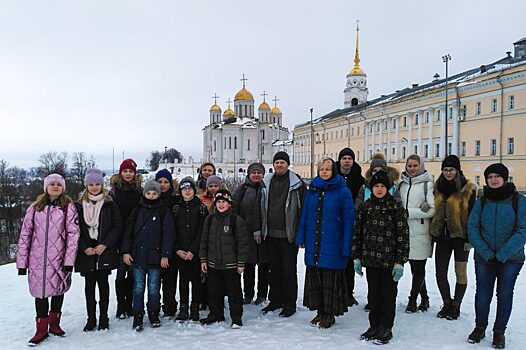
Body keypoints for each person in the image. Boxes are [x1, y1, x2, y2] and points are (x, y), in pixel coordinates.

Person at [467, 163, 526, 349]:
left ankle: (499, 332)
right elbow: (472, 227)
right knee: (483, 295)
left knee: (505, 295)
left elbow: (523, 230)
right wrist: (486, 252)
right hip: (484, 259)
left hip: (511, 259)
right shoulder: (482, 201)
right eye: (489, 177)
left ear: (505, 178)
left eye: (496, 176)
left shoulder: (519, 201)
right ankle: (480, 327)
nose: (493, 180)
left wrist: (502, 254)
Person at [17, 174, 80, 345]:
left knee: (58, 290)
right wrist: (22, 263)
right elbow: (25, 235)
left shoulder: (68, 207)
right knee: (40, 293)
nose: (55, 187)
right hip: (37, 260)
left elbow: (73, 235)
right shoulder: (35, 208)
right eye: (51, 184)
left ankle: (54, 324)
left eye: (58, 184)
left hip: (59, 258)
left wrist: (69, 261)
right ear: (46, 187)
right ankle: (41, 329)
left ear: (63, 188)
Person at [352, 170, 409, 345]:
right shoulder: (365, 207)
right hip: (371, 260)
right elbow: (357, 233)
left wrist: (400, 261)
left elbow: (403, 236)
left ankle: (386, 326)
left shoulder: (395, 208)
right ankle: (374, 325)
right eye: (375, 186)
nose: (378, 189)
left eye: (382, 186)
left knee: (388, 295)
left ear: (388, 188)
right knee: (374, 295)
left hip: (390, 262)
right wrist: (356, 257)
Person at [296, 158, 354, 328]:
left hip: (333, 243)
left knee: (330, 280)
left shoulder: (343, 191)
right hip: (315, 242)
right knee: (317, 278)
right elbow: (305, 215)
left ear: (333, 171)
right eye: (321, 169)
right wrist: (301, 237)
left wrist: (347, 245)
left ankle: (329, 314)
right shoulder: (313, 190)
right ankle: (320, 311)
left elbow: (349, 220)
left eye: (328, 169)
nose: (324, 172)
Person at [121, 180, 175, 331]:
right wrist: (125, 251)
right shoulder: (137, 210)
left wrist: (165, 255)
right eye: (148, 193)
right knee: (138, 288)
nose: (151, 196)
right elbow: (128, 232)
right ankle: (138, 314)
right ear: (144, 194)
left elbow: (168, 234)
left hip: (155, 257)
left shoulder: (163, 211)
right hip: (137, 255)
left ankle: (153, 312)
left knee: (153, 287)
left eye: (154, 193)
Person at [429, 155, 477, 320]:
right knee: (440, 273)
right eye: (445, 169)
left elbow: (472, 215)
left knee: (460, 272)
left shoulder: (468, 189)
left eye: (451, 169)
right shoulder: (437, 187)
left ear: (458, 170)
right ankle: (447, 302)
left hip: (461, 237)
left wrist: (470, 238)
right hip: (442, 237)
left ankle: (456, 305)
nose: (448, 172)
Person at [75, 169, 122, 331]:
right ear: (86, 186)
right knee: (89, 289)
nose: (94, 187)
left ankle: (103, 318)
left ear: (102, 185)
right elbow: (75, 230)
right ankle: (91, 319)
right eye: (91, 184)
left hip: (104, 253)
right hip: (87, 254)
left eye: (97, 184)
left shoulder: (110, 203)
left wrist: (105, 245)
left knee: (103, 287)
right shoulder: (79, 205)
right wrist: (84, 247)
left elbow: (117, 226)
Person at [260, 151, 306, 317]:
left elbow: (303, 210)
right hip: (270, 234)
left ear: (288, 164)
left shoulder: (297, 184)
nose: (280, 165)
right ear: (273, 165)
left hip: (288, 235)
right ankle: (275, 300)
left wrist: (301, 235)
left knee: (288, 270)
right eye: (277, 162)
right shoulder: (266, 182)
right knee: (274, 270)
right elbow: (261, 207)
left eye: (283, 162)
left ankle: (289, 303)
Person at [199, 190, 250, 328]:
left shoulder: (236, 220)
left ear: (229, 204)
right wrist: (203, 259)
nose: (221, 205)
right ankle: (216, 315)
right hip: (213, 264)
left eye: (224, 202)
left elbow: (243, 243)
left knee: (234, 293)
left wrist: (240, 263)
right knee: (214, 292)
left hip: (231, 265)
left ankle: (236, 317)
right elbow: (204, 241)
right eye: (219, 202)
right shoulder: (210, 220)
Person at [396, 155, 435, 313]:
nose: (412, 169)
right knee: (412, 267)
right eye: (409, 166)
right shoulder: (402, 185)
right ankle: (424, 298)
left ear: (421, 166)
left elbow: (431, 210)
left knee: (418, 268)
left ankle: (413, 299)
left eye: (415, 166)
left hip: (420, 232)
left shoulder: (427, 185)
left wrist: (409, 213)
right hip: (403, 231)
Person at [109, 158, 143, 319]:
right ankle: (120, 305)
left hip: (136, 235)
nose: (128, 174)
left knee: (133, 272)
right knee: (121, 272)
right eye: (125, 171)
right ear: (120, 172)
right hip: (119, 234)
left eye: (131, 171)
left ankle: (129, 304)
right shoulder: (114, 191)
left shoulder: (139, 191)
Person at [232, 162, 269, 305]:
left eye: (259, 172)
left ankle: (262, 294)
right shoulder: (242, 189)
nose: (256, 175)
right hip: (246, 233)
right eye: (253, 172)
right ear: (249, 174)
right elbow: (234, 209)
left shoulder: (267, 188)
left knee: (264, 266)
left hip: (265, 233)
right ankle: (248, 294)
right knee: (249, 266)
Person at [173, 177, 208, 321]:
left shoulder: (201, 208)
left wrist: (193, 250)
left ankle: (195, 308)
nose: (187, 191)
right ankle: (183, 308)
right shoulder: (175, 208)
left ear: (194, 190)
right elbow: (171, 230)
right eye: (184, 189)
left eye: (190, 189)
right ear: (180, 191)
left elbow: (202, 231)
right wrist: (177, 249)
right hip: (180, 252)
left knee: (196, 281)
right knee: (183, 281)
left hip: (195, 252)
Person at [335, 147, 364, 307]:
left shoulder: (359, 179)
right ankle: (337, 291)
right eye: (344, 158)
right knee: (336, 259)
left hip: (352, 224)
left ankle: (348, 292)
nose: (347, 161)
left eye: (349, 158)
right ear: (339, 160)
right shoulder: (333, 177)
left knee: (349, 261)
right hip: (335, 224)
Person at [155, 169, 179, 319]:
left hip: (172, 245)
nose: (163, 185)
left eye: (166, 182)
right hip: (154, 246)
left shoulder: (175, 200)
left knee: (170, 280)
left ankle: (170, 307)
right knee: (155, 281)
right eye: (160, 182)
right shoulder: (150, 198)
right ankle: (154, 307)